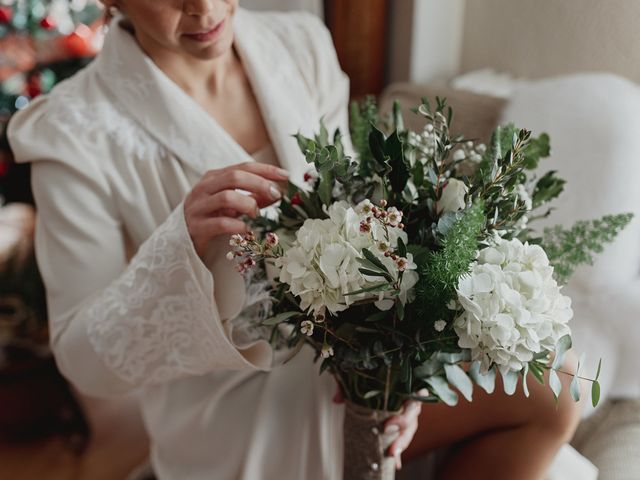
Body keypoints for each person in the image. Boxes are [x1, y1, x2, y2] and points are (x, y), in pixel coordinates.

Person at [7, 1, 582, 478]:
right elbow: (83, 357)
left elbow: (360, 224)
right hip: (235, 405)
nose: (205, 8)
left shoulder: (299, 44)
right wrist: (178, 244)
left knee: (561, 385)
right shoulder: (71, 131)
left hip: (347, 356)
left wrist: (403, 376)